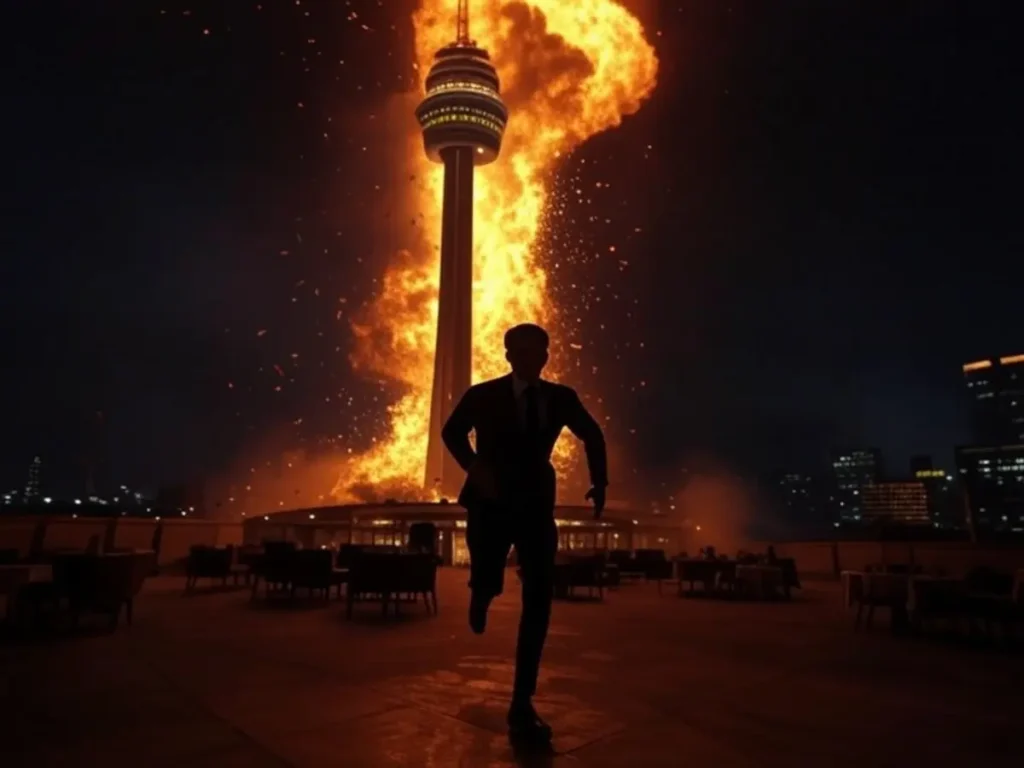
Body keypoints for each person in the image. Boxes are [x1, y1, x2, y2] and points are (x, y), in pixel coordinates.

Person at [442, 323, 607, 741]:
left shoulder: (560, 397)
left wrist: (599, 482)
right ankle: (482, 590)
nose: (533, 359)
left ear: (547, 357)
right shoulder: (483, 395)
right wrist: (475, 467)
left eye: (540, 352)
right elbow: (451, 432)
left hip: (535, 507)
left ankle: (521, 702)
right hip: (491, 503)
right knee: (488, 574)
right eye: (524, 351)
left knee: (539, 598)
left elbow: (592, 434)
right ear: (509, 356)